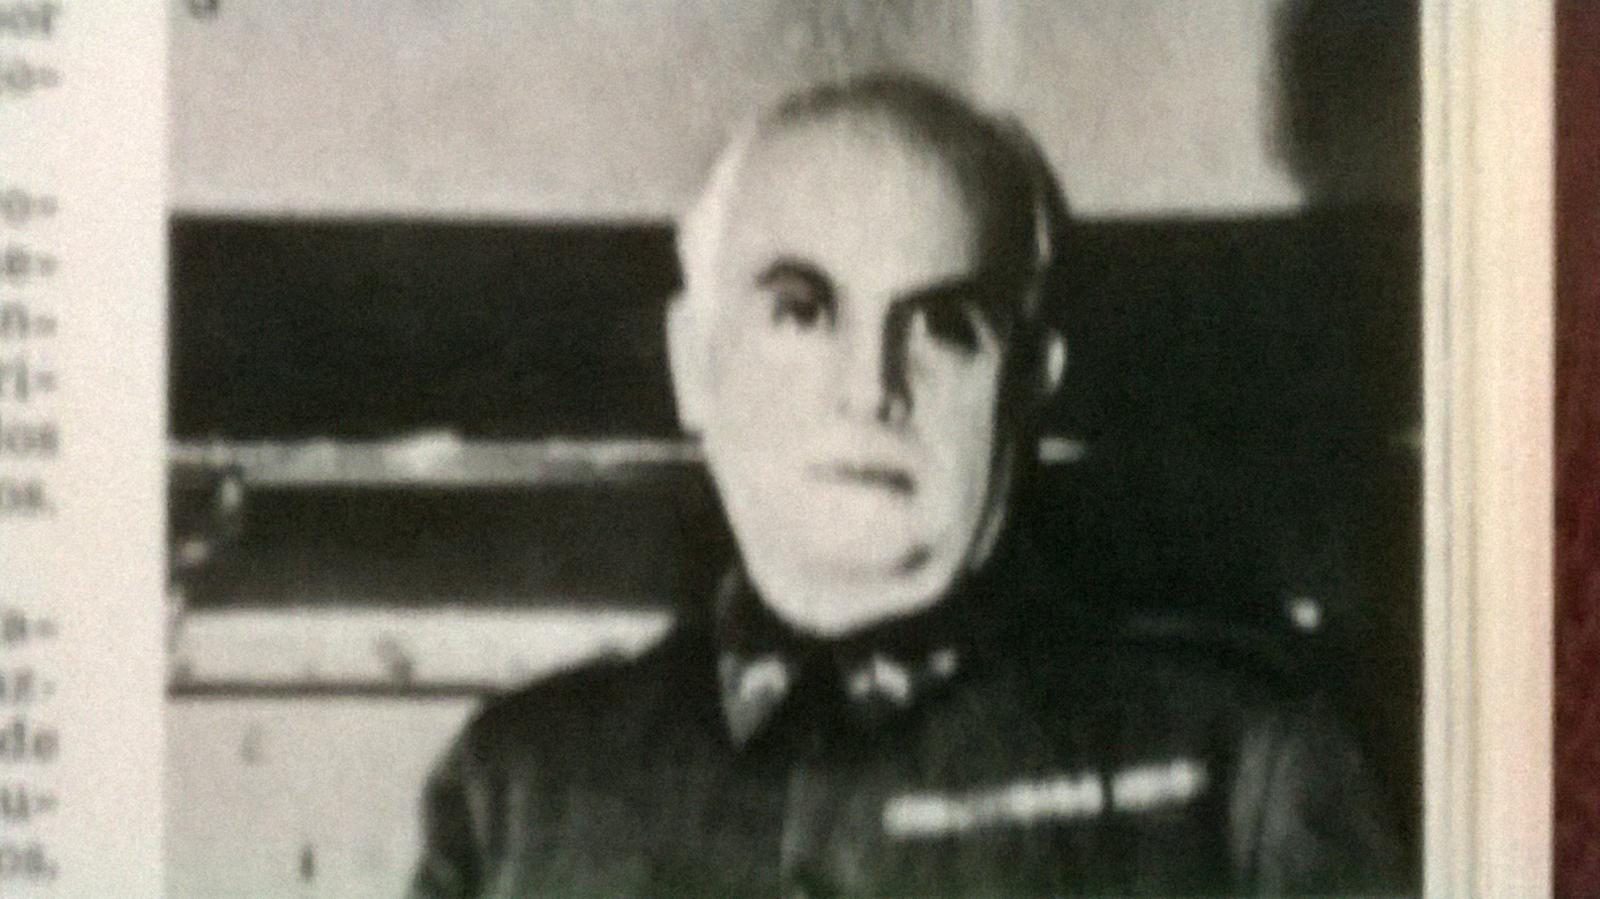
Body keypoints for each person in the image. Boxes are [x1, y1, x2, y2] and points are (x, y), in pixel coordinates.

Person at [408, 74, 1405, 897]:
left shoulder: (1235, 767)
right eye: (801, 312)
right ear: (693, 363)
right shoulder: (519, 790)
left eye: (943, 328)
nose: (870, 389)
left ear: (1028, 382)